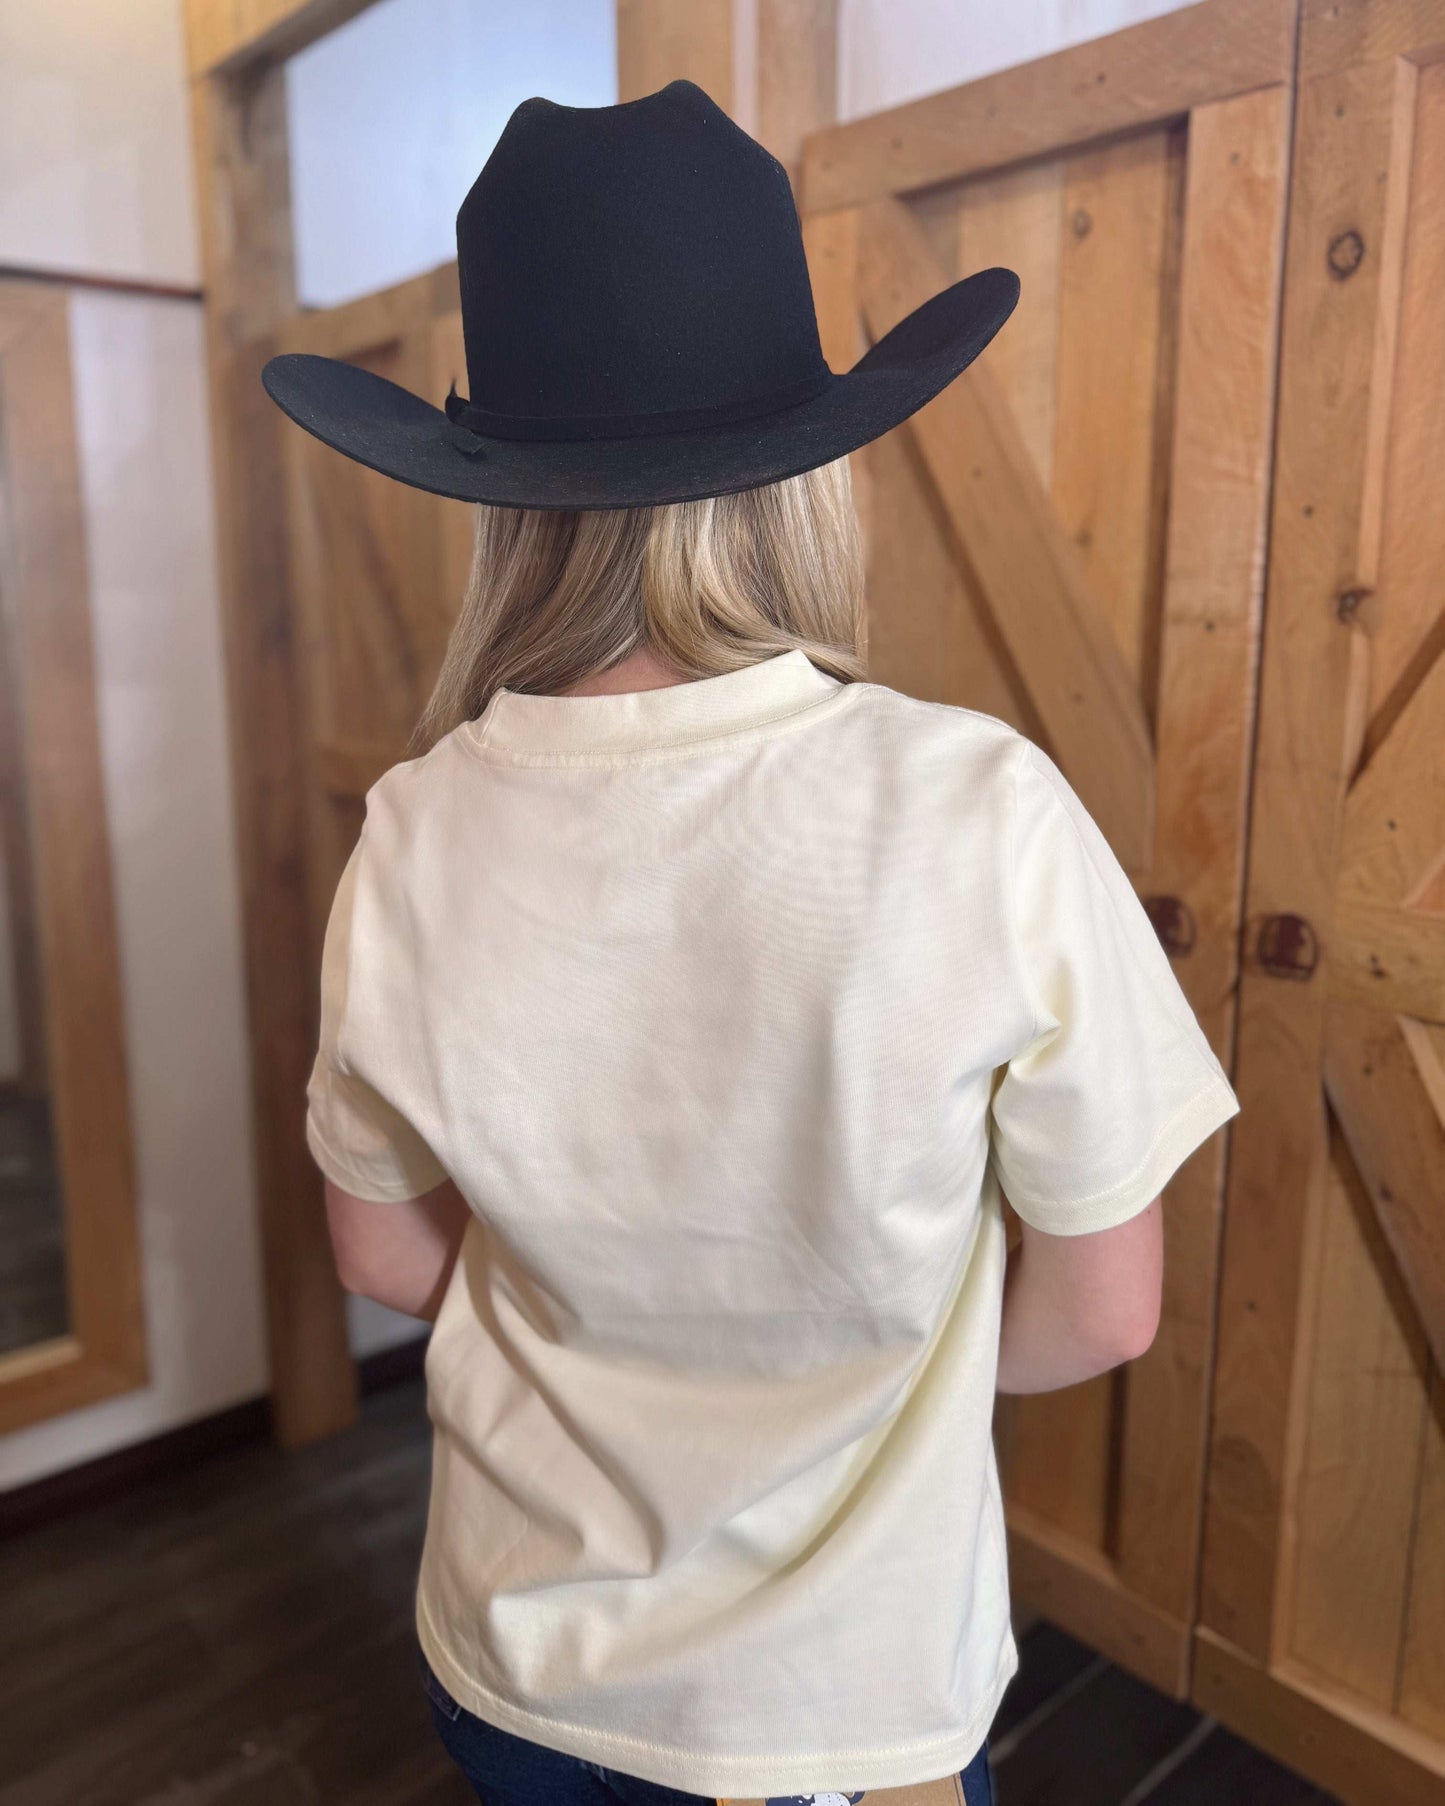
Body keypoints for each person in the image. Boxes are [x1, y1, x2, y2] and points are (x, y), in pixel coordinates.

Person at [263, 80, 1240, 1806]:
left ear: (503, 492)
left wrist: (610, 1334)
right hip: (819, 1709)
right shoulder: (971, 806)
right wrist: (851, 1385)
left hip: (507, 1650)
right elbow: (1100, 1305)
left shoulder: (412, 829)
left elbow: (383, 1257)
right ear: (808, 469)